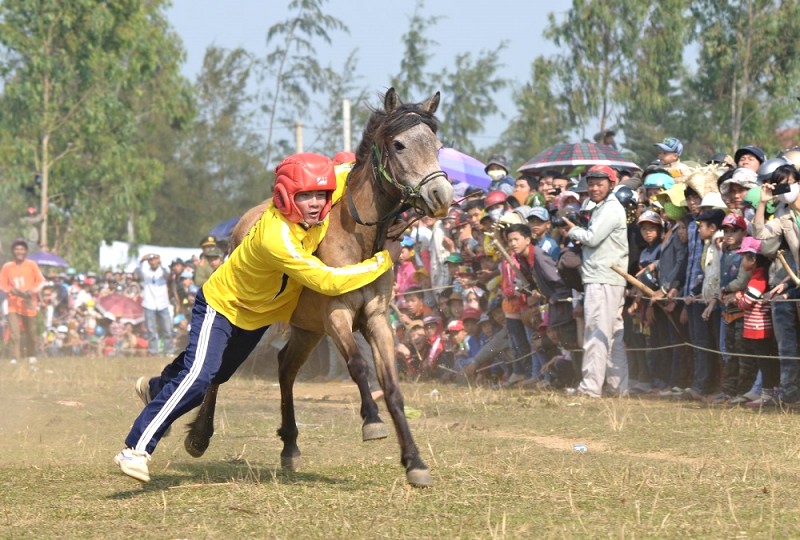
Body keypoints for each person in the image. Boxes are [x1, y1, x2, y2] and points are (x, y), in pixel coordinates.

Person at [114, 152, 403, 483]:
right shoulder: (276, 237)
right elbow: (327, 281)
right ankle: (136, 448)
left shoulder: (319, 208)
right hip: (223, 307)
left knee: (215, 374)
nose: (315, 202)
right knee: (199, 378)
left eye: (321, 194)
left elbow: (350, 172)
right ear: (284, 196)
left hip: (257, 317)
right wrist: (383, 261)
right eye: (304, 195)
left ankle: (156, 387)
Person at [562, 165, 629, 398]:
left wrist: (573, 231)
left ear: (611, 185)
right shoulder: (602, 208)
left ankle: (590, 388)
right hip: (606, 278)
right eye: (591, 183)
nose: (594, 188)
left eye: (600, 183)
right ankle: (617, 386)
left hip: (603, 279)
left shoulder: (610, 208)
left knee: (596, 333)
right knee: (612, 334)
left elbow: (591, 238)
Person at [0, 238, 45, 363]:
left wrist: (32, 291)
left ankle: (31, 354)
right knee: (14, 332)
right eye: (17, 249)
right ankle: (15, 357)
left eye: (22, 249)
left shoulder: (32, 265)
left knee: (30, 331)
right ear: (13, 251)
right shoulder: (7, 267)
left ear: (25, 251)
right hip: (13, 304)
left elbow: (41, 281)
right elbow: (2, 284)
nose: (19, 251)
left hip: (28, 303)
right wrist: (10, 290)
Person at [136, 253, 174, 357]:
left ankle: (168, 351)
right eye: (151, 260)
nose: (153, 262)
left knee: (167, 329)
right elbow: (137, 273)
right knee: (151, 329)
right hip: (149, 304)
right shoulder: (145, 272)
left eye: (155, 260)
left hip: (163, 303)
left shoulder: (162, 271)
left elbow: (168, 276)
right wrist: (141, 261)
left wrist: (161, 263)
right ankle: (153, 351)